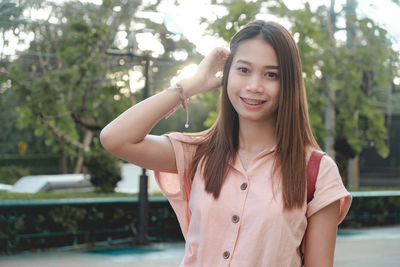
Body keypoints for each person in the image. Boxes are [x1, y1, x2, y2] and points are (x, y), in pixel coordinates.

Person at [100, 20, 352, 267]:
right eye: (243, 70)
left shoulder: (317, 171)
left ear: (289, 83)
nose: (254, 86)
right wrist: (187, 87)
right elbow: (115, 139)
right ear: (227, 74)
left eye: (271, 74)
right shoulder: (199, 154)